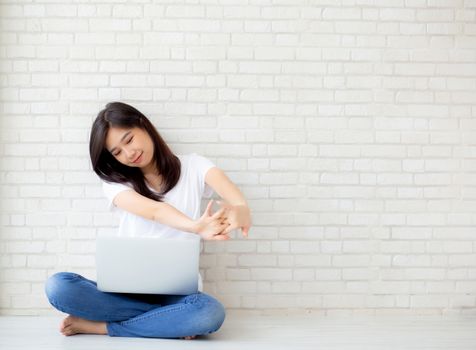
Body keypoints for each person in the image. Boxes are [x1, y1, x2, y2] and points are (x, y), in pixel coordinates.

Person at [44, 101, 252, 339]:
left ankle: (103, 326)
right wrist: (196, 226)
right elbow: (155, 211)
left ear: (144, 125)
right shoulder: (116, 183)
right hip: (125, 291)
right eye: (117, 152)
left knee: (208, 313)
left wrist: (241, 211)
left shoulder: (195, 166)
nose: (129, 153)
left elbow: (237, 201)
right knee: (58, 286)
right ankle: (168, 320)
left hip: (178, 294)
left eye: (129, 140)